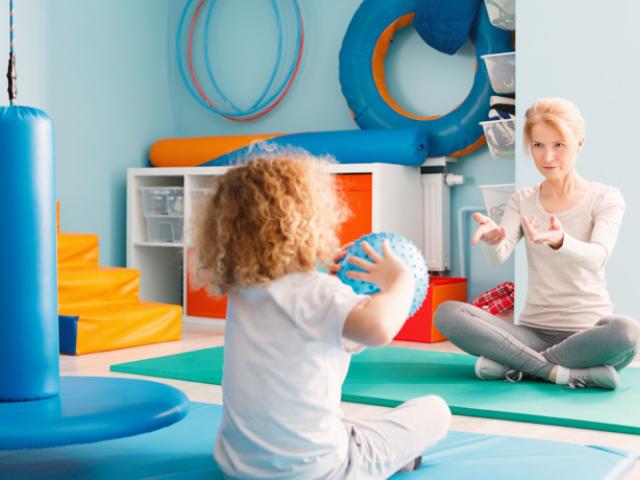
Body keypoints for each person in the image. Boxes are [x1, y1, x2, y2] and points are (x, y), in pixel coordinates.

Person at [192, 149, 451, 479]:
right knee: (434, 410)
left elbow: (309, 324)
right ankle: (389, 459)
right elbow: (378, 329)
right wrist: (400, 279)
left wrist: (325, 280)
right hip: (319, 471)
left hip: (238, 463)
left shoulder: (244, 290)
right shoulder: (317, 292)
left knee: (348, 422)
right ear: (310, 221)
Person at [435, 97, 639, 390]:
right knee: (448, 313)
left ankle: (516, 365)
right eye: (538, 145)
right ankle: (560, 373)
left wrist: (562, 241)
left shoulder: (606, 197)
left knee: (627, 331)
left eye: (559, 145)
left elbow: (597, 257)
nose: (548, 157)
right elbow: (498, 256)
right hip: (532, 332)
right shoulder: (523, 199)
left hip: (590, 335)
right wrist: (494, 240)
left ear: (579, 144)